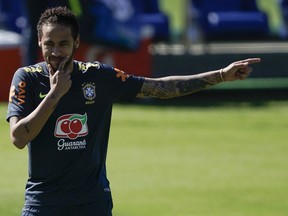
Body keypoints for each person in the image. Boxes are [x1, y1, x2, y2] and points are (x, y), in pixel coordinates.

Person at [6, 6, 261, 216]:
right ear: (39, 42)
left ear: (76, 42)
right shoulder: (26, 78)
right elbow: (18, 137)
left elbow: (159, 87)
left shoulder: (98, 76)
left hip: (92, 204)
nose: (56, 52)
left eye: (63, 43)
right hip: (43, 204)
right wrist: (55, 94)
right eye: (49, 44)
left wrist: (219, 76)